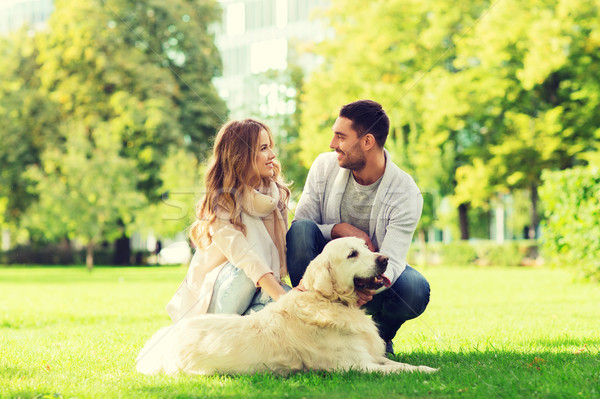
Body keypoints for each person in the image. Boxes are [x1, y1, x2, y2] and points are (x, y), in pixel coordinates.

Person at [287, 99, 430, 356]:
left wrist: (369, 286)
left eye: (340, 137)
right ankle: (306, 328)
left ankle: (377, 339)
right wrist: (338, 229)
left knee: (415, 288)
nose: (332, 145)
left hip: (371, 274)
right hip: (327, 274)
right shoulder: (323, 166)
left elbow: (394, 261)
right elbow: (301, 226)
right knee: (300, 232)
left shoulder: (406, 193)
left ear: (367, 142)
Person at [166, 118, 291, 322]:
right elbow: (246, 257)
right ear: (241, 157)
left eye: (270, 147)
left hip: (261, 289)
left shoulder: (275, 197)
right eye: (263, 148)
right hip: (217, 296)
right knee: (247, 274)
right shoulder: (221, 202)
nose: (272, 155)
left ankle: (246, 327)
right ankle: (212, 331)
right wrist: (285, 300)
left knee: (279, 315)